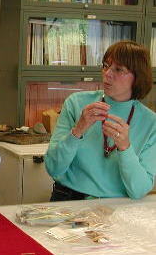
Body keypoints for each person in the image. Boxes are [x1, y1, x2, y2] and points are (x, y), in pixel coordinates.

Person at [45, 40, 156, 201]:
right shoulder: (76, 103)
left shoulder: (151, 123)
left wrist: (125, 148)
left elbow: (138, 190)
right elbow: (53, 168)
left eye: (118, 69)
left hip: (116, 208)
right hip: (68, 200)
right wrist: (77, 131)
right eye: (106, 65)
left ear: (138, 77)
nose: (107, 73)